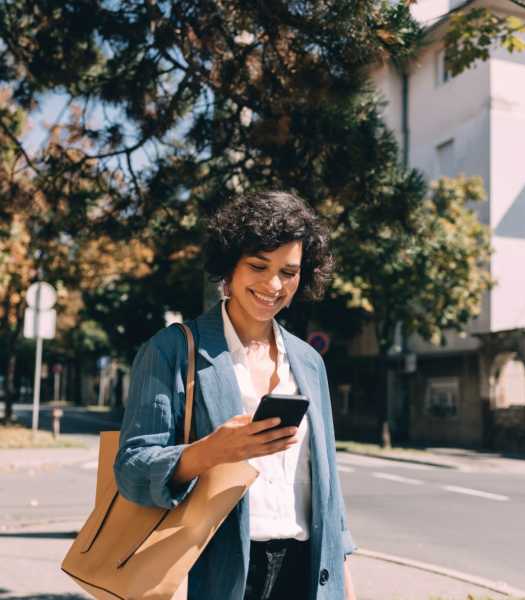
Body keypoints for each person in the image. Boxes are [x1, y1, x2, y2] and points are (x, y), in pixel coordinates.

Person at [114, 191, 357, 600]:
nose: (273, 284)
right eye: (258, 266)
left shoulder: (309, 362)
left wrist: (345, 587)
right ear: (229, 267)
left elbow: (328, 490)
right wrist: (211, 450)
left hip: (305, 570)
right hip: (219, 571)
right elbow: (132, 470)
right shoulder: (172, 350)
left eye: (289, 271)